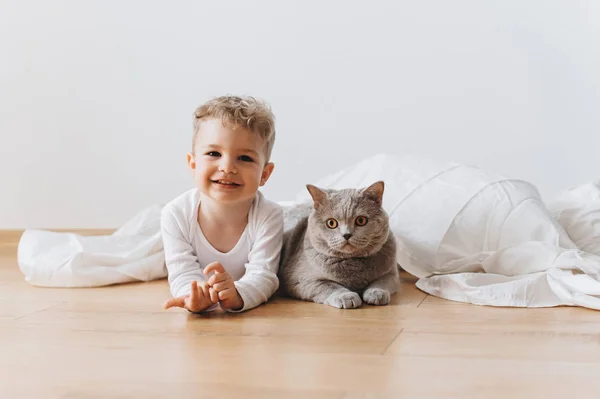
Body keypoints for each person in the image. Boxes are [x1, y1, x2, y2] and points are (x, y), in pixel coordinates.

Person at [161, 95, 283, 313]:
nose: (227, 167)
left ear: (265, 174)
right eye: (213, 153)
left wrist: (237, 295)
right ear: (193, 164)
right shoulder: (176, 214)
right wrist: (192, 296)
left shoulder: (269, 215)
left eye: (245, 158)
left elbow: (264, 275)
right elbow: (181, 271)